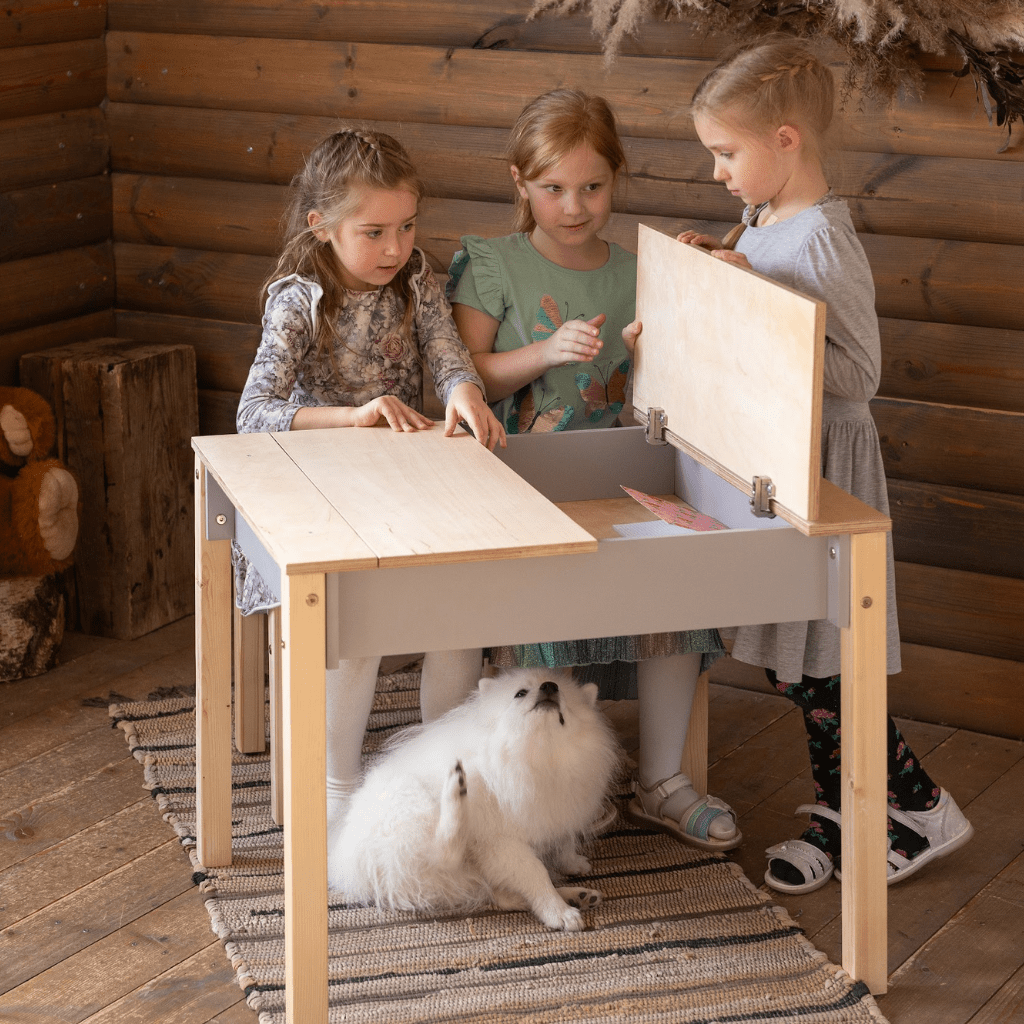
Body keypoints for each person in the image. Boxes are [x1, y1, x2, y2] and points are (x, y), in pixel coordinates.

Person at [677, 35, 973, 891]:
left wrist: (756, 294)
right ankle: (849, 811)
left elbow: (858, 376)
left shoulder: (822, 241)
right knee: (795, 658)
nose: (717, 172)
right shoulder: (762, 219)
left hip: (825, 466)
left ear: (785, 140)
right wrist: (716, 280)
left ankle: (922, 809)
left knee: (819, 661)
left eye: (726, 153)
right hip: (775, 459)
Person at [447, 89, 739, 852]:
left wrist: (660, 342)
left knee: (679, 592)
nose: (574, 207)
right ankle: (552, 791)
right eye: (553, 188)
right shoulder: (493, 263)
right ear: (520, 182)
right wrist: (545, 352)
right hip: (519, 483)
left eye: (592, 187)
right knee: (540, 610)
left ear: (616, 179)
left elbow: (671, 394)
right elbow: (464, 376)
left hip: (625, 475)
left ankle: (663, 780)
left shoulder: (639, 270)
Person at [234, 127, 506, 840]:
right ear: (321, 226)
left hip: (403, 489)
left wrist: (462, 390)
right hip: (321, 496)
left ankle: (439, 772)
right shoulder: (299, 301)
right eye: (375, 232)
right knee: (352, 621)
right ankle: (337, 782)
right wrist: (353, 417)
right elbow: (253, 413)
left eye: (407, 227)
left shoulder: (416, 280)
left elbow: (448, 354)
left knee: (461, 609)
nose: (395, 247)